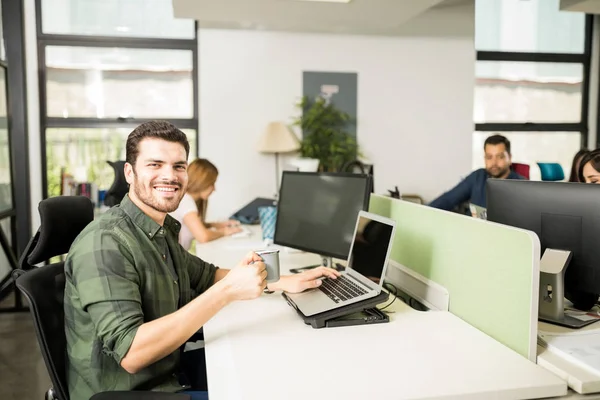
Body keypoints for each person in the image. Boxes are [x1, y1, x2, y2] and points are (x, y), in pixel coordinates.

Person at [64, 120, 340, 400]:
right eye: (155, 164)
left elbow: (206, 275)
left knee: (278, 366)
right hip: (133, 389)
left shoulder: (159, 230)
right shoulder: (105, 243)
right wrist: (228, 292)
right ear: (129, 172)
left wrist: (283, 281)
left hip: (166, 369)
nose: (169, 176)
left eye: (179, 166)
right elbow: (132, 353)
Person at [429, 134, 524, 212]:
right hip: (471, 231)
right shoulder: (477, 177)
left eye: (500, 157)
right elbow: (448, 199)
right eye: (489, 157)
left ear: (510, 158)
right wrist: (424, 212)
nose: (494, 163)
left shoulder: (522, 185)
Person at [169, 158, 241, 250]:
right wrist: (225, 232)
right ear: (202, 181)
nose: (214, 189)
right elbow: (203, 236)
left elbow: (193, 225)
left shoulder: (184, 198)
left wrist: (217, 225)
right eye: (212, 183)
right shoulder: (185, 200)